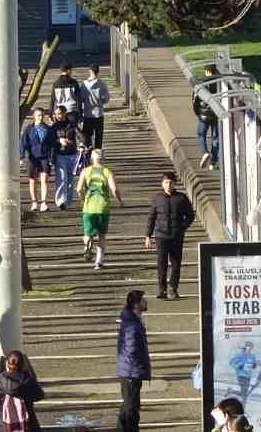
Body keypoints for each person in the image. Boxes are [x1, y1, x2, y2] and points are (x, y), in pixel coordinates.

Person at [144, 172, 195, 299]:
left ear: (175, 184)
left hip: (176, 235)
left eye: (171, 182)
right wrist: (148, 236)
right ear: (162, 184)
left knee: (176, 262)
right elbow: (151, 217)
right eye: (166, 182)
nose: (168, 185)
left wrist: (182, 227)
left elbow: (190, 216)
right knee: (162, 263)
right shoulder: (157, 198)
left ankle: (173, 288)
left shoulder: (181, 198)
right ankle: (162, 290)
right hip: (161, 235)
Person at [75, 150, 124, 269]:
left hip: (89, 207)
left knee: (88, 233)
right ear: (103, 158)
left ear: (92, 159)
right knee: (102, 235)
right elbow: (114, 189)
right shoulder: (107, 172)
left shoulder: (86, 171)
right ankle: (98, 261)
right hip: (103, 207)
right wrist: (120, 200)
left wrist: (82, 199)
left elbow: (79, 189)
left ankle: (87, 245)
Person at [0, 350, 44, 432]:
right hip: (27, 426)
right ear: (23, 365)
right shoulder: (28, 382)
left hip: (3, 427)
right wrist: (28, 373)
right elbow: (39, 395)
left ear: (6, 363)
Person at [116, 291, 151, 432]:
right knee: (131, 407)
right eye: (143, 300)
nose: (145, 302)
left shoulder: (133, 320)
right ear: (136, 304)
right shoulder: (131, 324)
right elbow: (131, 348)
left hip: (130, 371)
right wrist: (139, 364)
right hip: (131, 372)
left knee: (128, 405)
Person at [193, 66, 220, 169]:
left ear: (207, 71)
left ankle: (205, 152)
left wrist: (198, 113)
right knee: (215, 137)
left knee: (201, 134)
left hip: (203, 115)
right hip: (216, 114)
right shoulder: (220, 83)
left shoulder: (201, 82)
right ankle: (213, 161)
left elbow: (195, 100)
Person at [80, 65, 110, 153]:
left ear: (90, 71)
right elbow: (106, 99)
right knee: (98, 137)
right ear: (98, 72)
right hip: (99, 114)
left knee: (87, 136)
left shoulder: (84, 84)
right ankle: (97, 154)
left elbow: (81, 98)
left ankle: (88, 153)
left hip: (87, 113)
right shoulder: (102, 84)